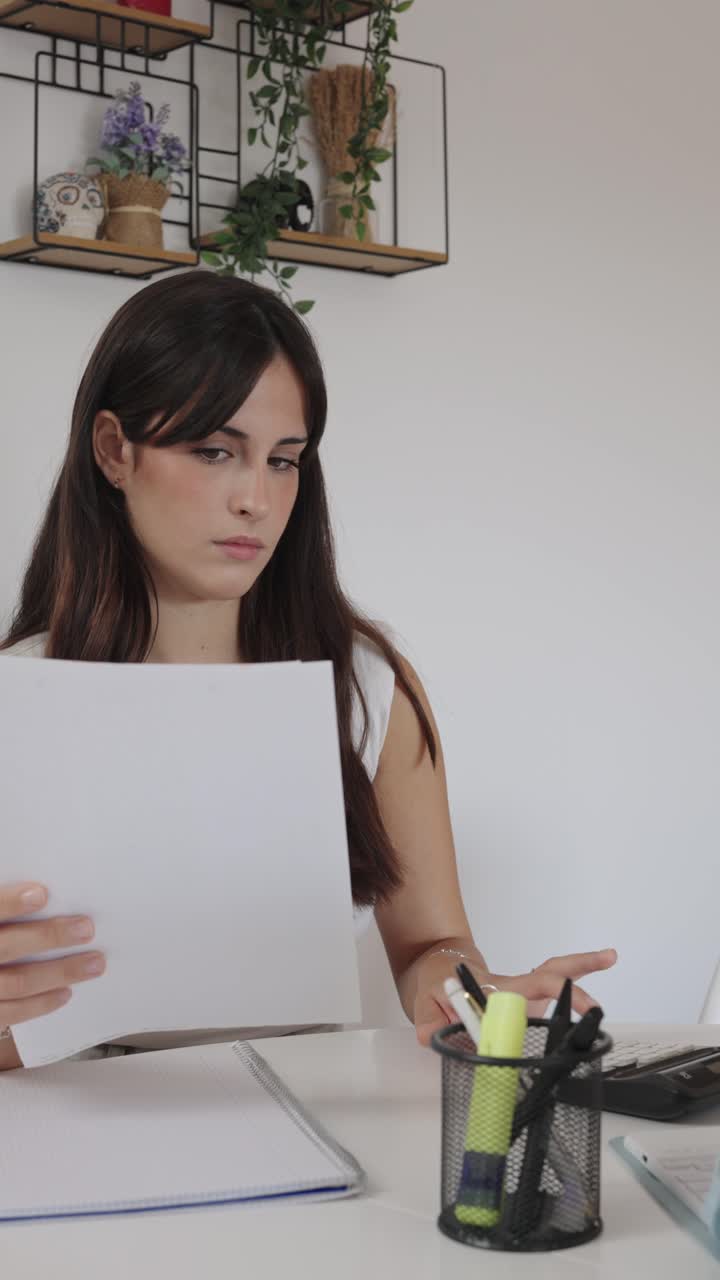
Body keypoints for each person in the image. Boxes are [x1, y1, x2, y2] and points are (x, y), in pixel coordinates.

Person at [0, 273, 616, 1072]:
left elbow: (431, 943)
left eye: (284, 461)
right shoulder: (21, 697)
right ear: (115, 450)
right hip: (64, 1119)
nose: (255, 498)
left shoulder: (366, 689)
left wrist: (468, 996)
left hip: (305, 1104)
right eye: (215, 451)